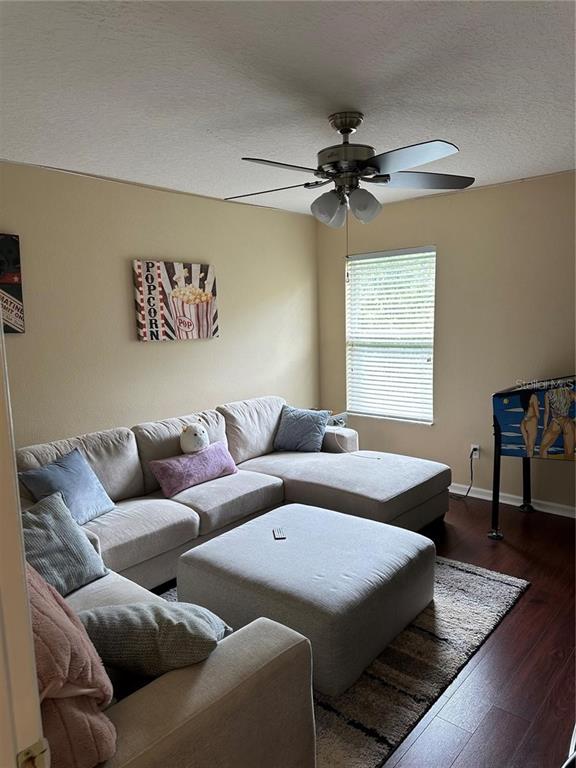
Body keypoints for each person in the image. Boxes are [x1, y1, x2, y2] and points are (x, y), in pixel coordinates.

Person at [539, 386, 576, 458]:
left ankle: (545, 468)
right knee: (569, 454)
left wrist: (545, 428)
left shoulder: (548, 393)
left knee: (543, 450)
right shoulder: (568, 391)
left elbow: (546, 412)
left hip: (556, 422)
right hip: (567, 422)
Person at [520, 390, 539, 458]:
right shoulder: (534, 396)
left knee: (527, 446)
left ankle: (528, 461)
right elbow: (537, 413)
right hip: (531, 421)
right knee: (531, 447)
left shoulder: (523, 396)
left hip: (523, 422)